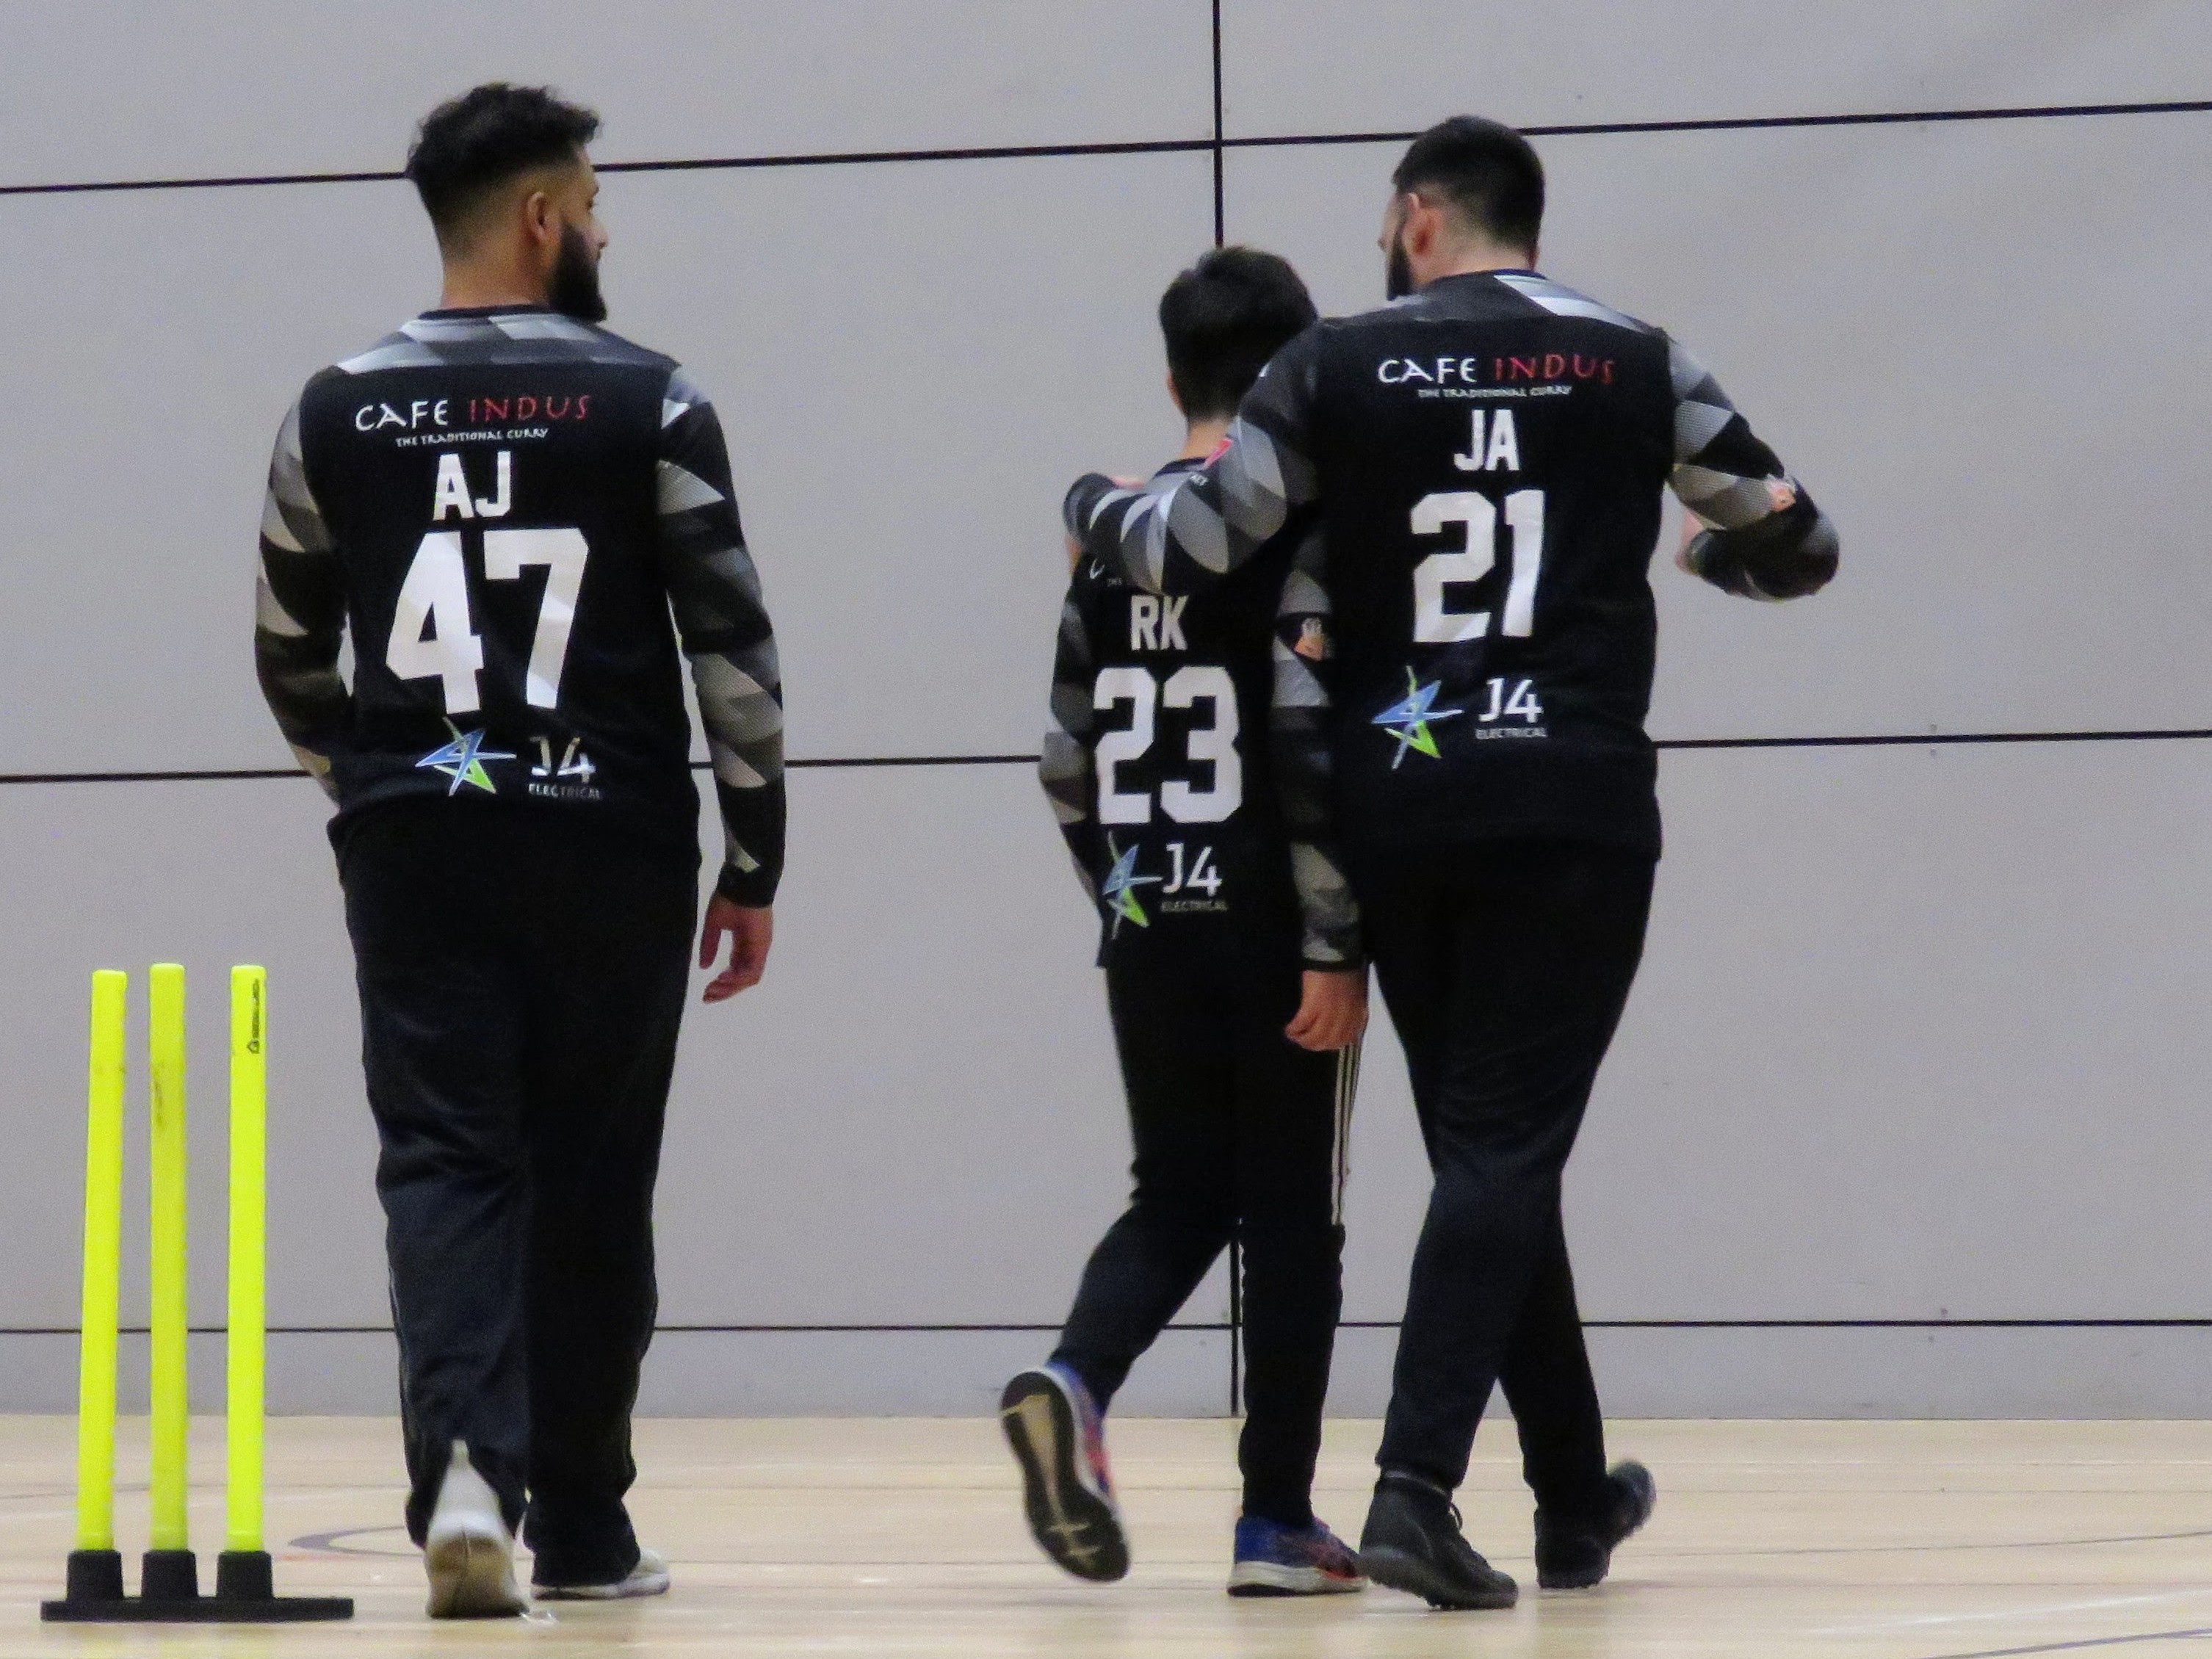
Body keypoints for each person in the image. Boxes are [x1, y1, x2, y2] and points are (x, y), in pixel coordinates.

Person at [1060, 116, 1838, 1610]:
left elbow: (1192, 542)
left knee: (1493, 1141)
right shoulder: (1635, 354)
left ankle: (1571, 1495)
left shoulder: (1334, 365)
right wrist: (1707, 557)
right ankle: (1415, 1484)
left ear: (1420, 218)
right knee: (1505, 1143)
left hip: (1400, 804)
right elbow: (1800, 541)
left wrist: (1085, 503)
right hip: (1572, 805)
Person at [253, 83, 784, 1617]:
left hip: (415, 833)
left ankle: (466, 1479)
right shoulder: (652, 397)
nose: (604, 227)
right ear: (543, 217)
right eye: (595, 200)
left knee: (446, 1158)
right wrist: (755, 854)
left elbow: (289, 644)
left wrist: (366, 782)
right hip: (608, 833)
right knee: (595, 1174)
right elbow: (731, 648)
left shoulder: (331, 405)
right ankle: (593, 1530)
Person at [1000, 248, 1370, 1597]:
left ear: (1171, 379)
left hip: (1148, 911)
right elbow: (1309, 744)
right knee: (1291, 1227)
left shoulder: (1106, 548)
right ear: (1292, 383)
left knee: (1176, 1193)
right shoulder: (1290, 529)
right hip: (1276, 923)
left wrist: (1127, 892)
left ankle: (1075, 1376)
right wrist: (1335, 941)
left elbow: (1061, 757)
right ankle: (1276, 1518)